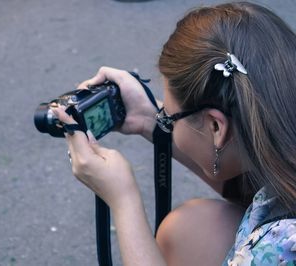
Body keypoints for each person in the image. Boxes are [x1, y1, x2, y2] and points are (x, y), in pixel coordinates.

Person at [53, 2, 296, 265]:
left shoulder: (276, 249)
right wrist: (149, 120)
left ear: (216, 127)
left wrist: (124, 201)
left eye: (168, 117)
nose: (164, 121)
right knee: (190, 227)